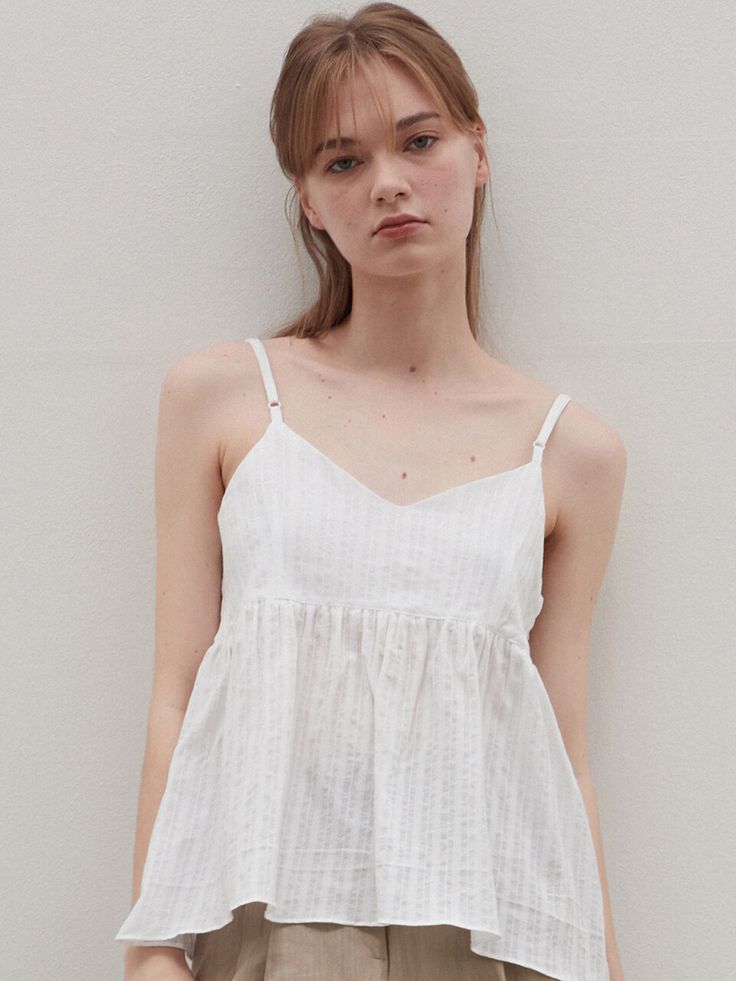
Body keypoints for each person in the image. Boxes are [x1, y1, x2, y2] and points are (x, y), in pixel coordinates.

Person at [116, 3, 627, 979]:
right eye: (341, 161)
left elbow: (559, 750)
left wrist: (599, 962)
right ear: (307, 200)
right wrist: (149, 946)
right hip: (278, 915)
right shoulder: (225, 400)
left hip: (494, 932)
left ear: (477, 152)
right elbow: (176, 692)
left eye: (419, 140)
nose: (389, 183)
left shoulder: (572, 454)